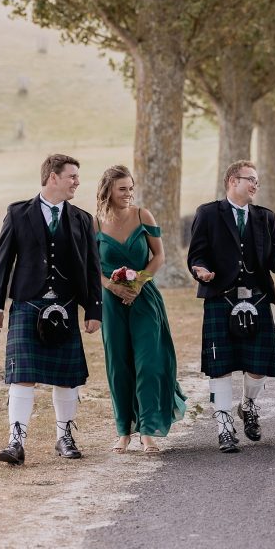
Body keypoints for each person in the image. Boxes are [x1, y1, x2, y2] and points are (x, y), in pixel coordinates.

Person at [0, 154, 102, 466]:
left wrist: (94, 309)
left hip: (64, 305)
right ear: (53, 177)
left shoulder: (82, 218)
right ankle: (16, 441)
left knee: (66, 377)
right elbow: (4, 260)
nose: (77, 182)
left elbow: (93, 267)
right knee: (22, 376)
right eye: (72, 176)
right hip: (27, 303)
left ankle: (64, 436)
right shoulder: (19, 212)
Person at [187, 160, 275, 453]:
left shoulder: (265, 217)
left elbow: (273, 255)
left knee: (259, 365)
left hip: (257, 297)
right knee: (220, 366)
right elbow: (196, 255)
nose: (255, 185)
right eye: (251, 180)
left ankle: (248, 405)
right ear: (233, 181)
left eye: (257, 181)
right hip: (221, 298)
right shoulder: (208, 214)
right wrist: (201, 270)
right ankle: (223, 427)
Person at [94, 165, 187, 454]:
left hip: (144, 299)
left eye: (131, 188)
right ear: (108, 189)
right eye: (123, 189)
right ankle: (124, 431)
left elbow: (159, 256)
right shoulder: (94, 223)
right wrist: (112, 286)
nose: (128, 194)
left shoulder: (142, 215)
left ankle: (148, 430)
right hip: (111, 302)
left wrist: (138, 284)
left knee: (148, 363)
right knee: (118, 364)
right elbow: (89, 266)